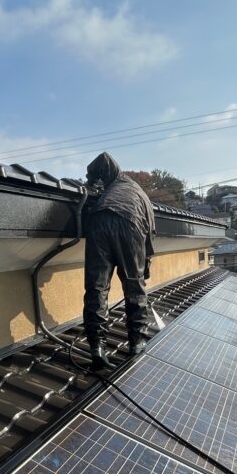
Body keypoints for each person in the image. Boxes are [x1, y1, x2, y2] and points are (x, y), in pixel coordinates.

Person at [82, 152, 155, 370]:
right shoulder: (139, 193)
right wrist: (145, 264)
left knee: (97, 286)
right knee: (134, 285)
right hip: (130, 223)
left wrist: (91, 183)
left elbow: (103, 161)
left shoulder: (109, 190)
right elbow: (149, 234)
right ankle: (136, 342)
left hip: (97, 220)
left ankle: (97, 346)